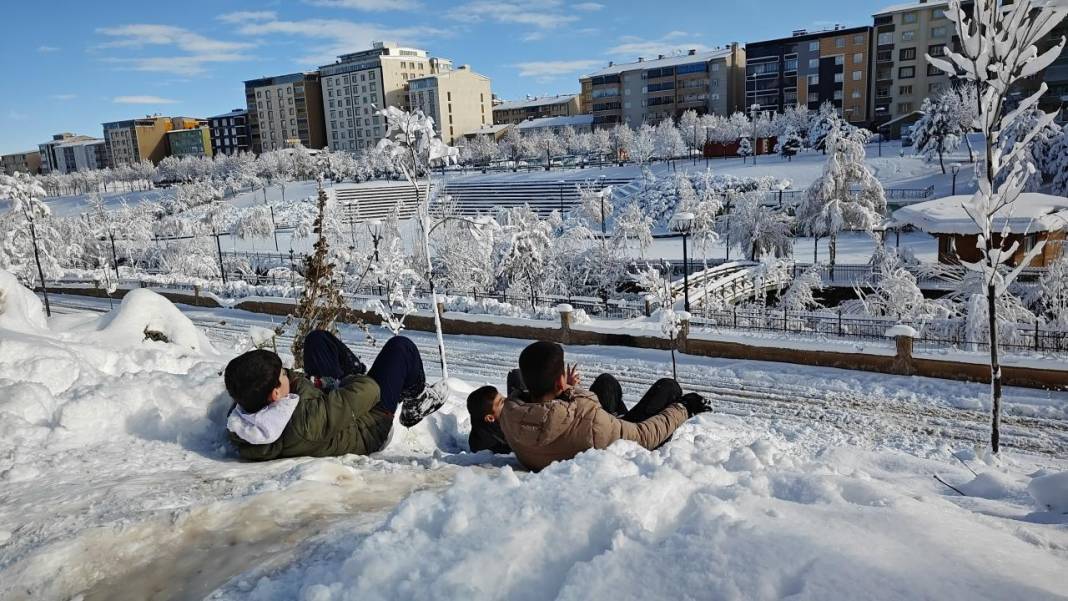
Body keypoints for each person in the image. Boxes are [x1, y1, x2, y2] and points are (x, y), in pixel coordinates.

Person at [224, 331, 444, 461]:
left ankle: (352, 374)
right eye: (283, 374)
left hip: (331, 412)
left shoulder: (245, 416)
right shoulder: (306, 421)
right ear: (275, 394)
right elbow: (369, 390)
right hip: (368, 426)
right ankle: (416, 401)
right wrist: (348, 381)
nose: (288, 373)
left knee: (317, 339)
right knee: (401, 348)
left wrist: (317, 385)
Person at [499, 341, 710, 472]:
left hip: (575, 433)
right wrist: (685, 408)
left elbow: (547, 417)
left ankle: (618, 416)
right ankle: (624, 417)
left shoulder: (510, 417)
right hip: (613, 436)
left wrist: (567, 389)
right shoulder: (591, 421)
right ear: (558, 382)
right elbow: (644, 436)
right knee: (669, 387)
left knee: (606, 382)